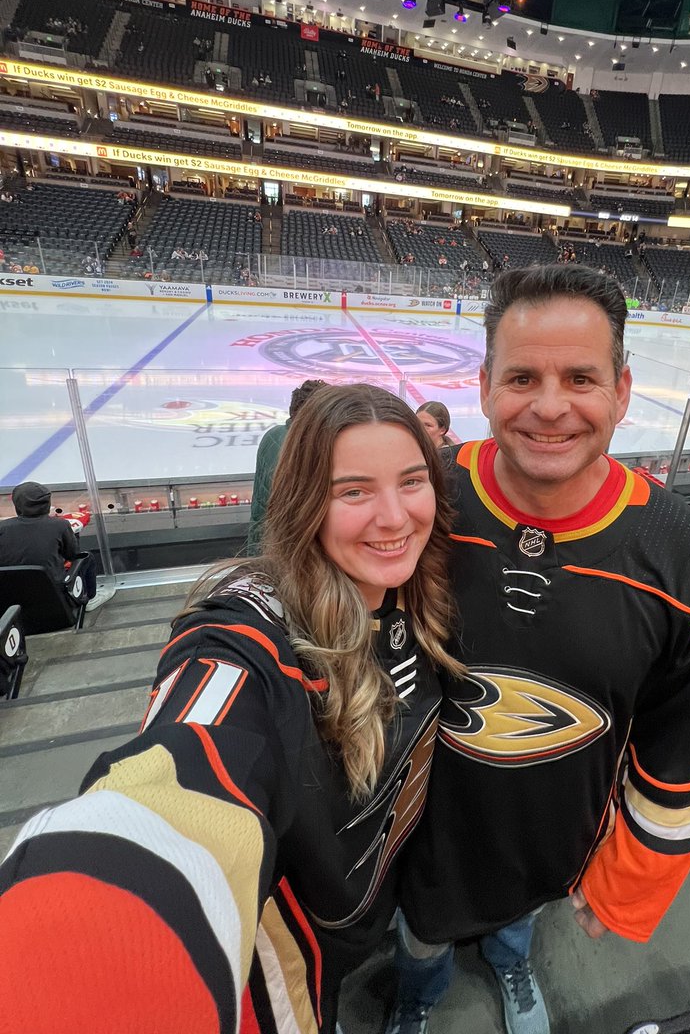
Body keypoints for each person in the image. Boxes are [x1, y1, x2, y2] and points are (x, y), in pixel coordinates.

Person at [0, 385, 461, 1032]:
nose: (393, 516)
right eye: (353, 491)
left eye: (412, 481)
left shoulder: (436, 585)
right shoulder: (249, 635)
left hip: (400, 888)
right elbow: (179, 775)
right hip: (306, 949)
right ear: (305, 503)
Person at [386, 263, 690, 1034]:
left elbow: (684, 731)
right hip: (418, 834)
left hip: (555, 834)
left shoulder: (681, 551)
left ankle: (510, 962)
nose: (550, 408)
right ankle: (415, 997)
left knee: (521, 920)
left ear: (622, 387)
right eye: (522, 378)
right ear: (483, 386)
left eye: (580, 377)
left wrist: (634, 880)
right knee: (418, 937)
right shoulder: (420, 499)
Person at [247, 379, 327, 554]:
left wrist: (253, 557)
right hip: (301, 551)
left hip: (268, 543)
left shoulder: (271, 436)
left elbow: (260, 505)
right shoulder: (318, 445)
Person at [0, 481, 108, 611]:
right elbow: (72, 555)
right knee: (87, 557)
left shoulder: (2, 528)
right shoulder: (59, 525)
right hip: (57, 606)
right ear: (47, 504)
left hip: (13, 606)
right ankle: (90, 598)